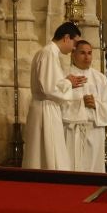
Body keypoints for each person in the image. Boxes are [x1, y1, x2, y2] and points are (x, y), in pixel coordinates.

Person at [24, 21, 83, 169]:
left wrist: (67, 82)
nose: (74, 47)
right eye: (74, 42)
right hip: (46, 109)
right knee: (49, 154)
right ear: (66, 38)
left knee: (42, 153)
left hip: (45, 107)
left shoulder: (48, 53)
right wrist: (69, 82)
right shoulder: (49, 53)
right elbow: (49, 88)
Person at [61, 39, 107, 172]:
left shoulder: (100, 78)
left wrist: (96, 105)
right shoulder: (64, 76)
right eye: (82, 53)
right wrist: (80, 103)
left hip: (94, 131)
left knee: (93, 171)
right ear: (73, 54)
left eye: (89, 53)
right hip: (72, 132)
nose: (87, 57)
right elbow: (58, 104)